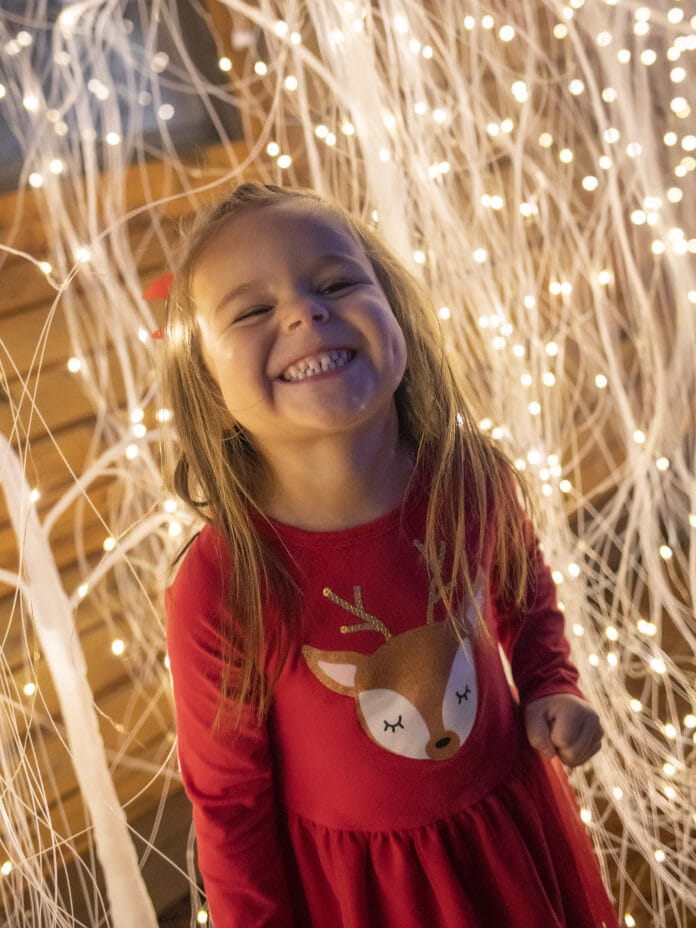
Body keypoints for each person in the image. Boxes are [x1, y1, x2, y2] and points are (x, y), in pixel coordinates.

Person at [163, 182, 619, 928]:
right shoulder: (221, 585)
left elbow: (525, 595)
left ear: (397, 317)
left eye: (338, 283)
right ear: (207, 387)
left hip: (513, 842)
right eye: (251, 310)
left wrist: (551, 684)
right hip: (370, 899)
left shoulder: (470, 478)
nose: (305, 312)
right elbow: (230, 809)